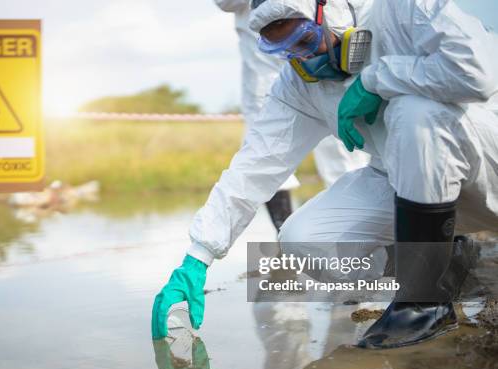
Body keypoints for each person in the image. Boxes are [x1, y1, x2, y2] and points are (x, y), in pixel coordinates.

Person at [152, 0, 498, 349]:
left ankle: (423, 303)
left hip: (487, 161)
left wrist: (378, 80)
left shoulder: (402, 10)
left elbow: (476, 71)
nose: (303, 60)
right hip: (412, 188)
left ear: (331, 12)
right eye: (285, 50)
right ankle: (444, 263)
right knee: (305, 241)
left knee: (415, 111)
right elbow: (254, 164)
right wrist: (198, 255)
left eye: (304, 41)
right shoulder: (299, 86)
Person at [213, 0, 368, 231]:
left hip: (323, 53)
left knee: (342, 153)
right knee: (262, 155)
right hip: (264, 70)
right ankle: (285, 236)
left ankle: (359, 233)